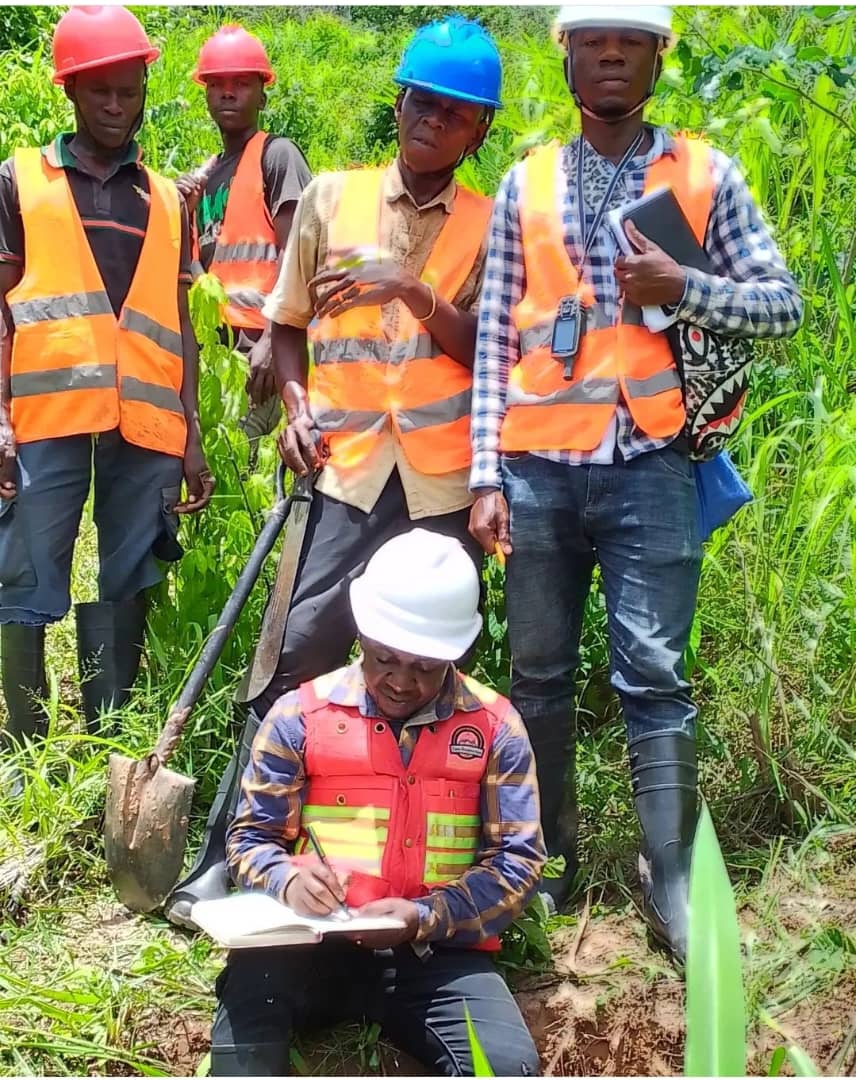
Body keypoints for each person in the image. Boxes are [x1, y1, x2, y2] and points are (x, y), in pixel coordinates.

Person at [467, 4, 802, 960]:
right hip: (537, 469)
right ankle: (547, 861)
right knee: (537, 675)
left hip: (653, 462)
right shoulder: (524, 179)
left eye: (630, 43)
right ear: (566, 55)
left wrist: (684, 290)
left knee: (656, 675)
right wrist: (487, 471)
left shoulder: (704, 174)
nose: (610, 57)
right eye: (592, 42)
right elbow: (498, 334)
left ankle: (672, 879)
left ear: (657, 56)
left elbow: (780, 308)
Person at [164, 16, 502, 926]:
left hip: (437, 487)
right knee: (289, 664)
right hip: (343, 473)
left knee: (429, 678)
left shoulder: (487, 221)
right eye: (421, 100)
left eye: (457, 112)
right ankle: (227, 860)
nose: (432, 119)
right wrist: (298, 403)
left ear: (479, 132)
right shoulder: (331, 199)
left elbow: (491, 353)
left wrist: (412, 291)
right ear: (398, 105)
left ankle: (434, 882)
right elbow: (283, 325)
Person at [210, 529, 544, 1077]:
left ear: (453, 654)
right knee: (247, 1024)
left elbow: (519, 863)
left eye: (424, 667)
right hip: (308, 941)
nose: (401, 681)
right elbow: (249, 840)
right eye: (385, 658)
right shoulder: (298, 716)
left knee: (505, 1067)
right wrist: (288, 881)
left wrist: (424, 916)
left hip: (438, 952)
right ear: (362, 634)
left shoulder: (495, 726)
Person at [0, 6, 214, 790]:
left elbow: (181, 322)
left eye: (129, 92)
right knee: (25, 573)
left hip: (148, 420)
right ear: (72, 93)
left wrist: (191, 434)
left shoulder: (166, 198)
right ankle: (27, 765)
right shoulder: (21, 178)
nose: (117, 107)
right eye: (101, 94)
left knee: (130, 576)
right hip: (47, 416)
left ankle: (112, 751)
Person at [177, 25, 312, 455]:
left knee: (247, 473)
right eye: (217, 84)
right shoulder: (206, 175)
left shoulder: (276, 155)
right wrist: (184, 215)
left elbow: (300, 253)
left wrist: (275, 340)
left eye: (241, 83)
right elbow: (200, 276)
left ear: (262, 93)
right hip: (219, 354)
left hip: (262, 353)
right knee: (222, 476)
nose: (228, 93)